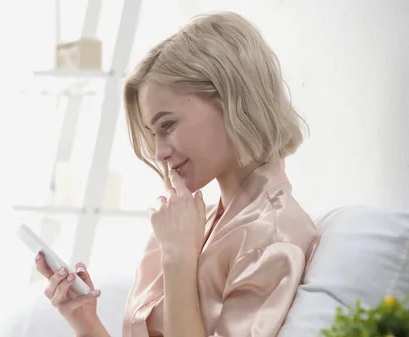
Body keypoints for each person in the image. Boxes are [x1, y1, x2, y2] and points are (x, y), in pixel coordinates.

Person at [34, 11, 320, 337]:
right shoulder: (194, 223)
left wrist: (179, 260)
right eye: (153, 133)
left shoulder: (272, 238)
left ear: (229, 99)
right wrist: (85, 321)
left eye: (167, 125)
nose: (158, 153)